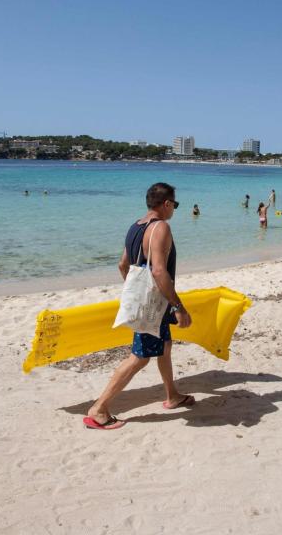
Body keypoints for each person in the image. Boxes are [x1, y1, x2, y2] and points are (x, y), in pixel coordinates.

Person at [85, 183, 193, 430]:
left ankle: (172, 395)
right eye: (174, 204)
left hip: (151, 302)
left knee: (164, 346)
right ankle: (98, 409)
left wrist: (136, 293)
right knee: (139, 358)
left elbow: (123, 265)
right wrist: (178, 306)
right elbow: (157, 270)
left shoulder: (135, 227)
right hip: (156, 305)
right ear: (166, 204)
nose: (174, 209)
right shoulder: (161, 227)